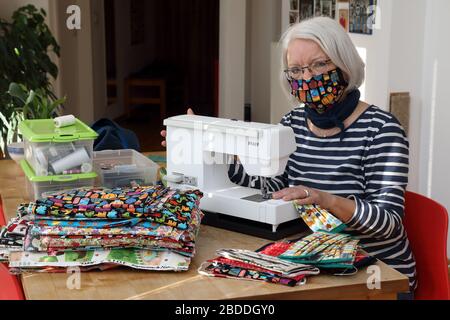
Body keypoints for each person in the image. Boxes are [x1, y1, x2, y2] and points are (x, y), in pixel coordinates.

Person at [161, 17, 416, 294]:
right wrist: (203, 148)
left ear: (344, 64)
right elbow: (271, 186)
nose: (307, 78)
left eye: (319, 64)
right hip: (316, 261)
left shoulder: (381, 129)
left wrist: (326, 200)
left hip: (377, 275)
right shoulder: (293, 122)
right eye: (296, 70)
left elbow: (389, 222)